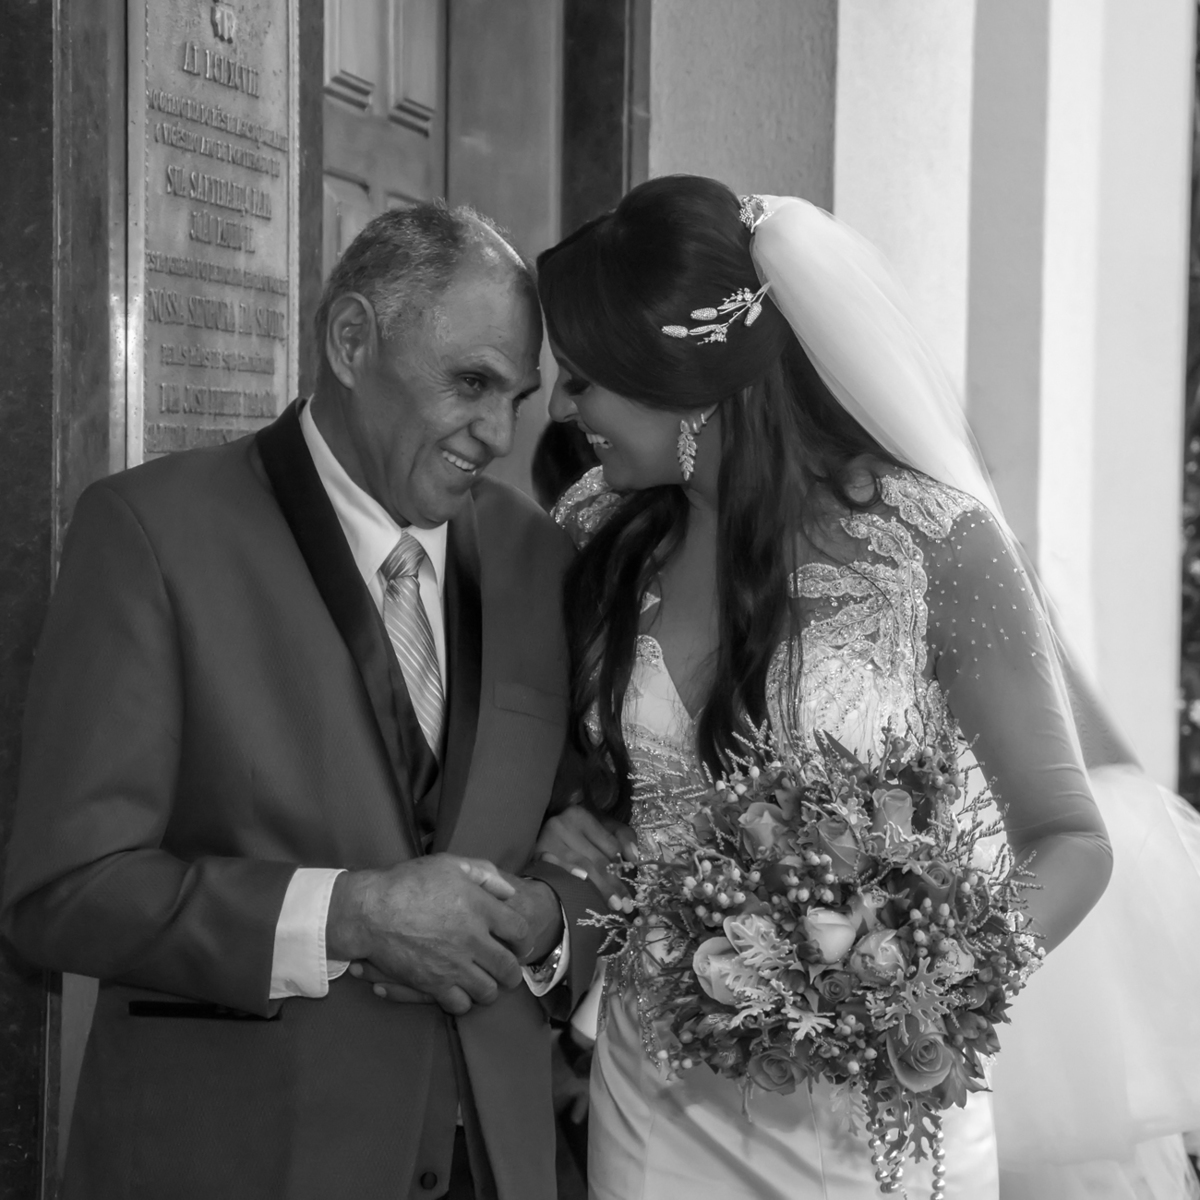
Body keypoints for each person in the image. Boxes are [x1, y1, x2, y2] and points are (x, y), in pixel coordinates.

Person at [1, 202, 606, 1200]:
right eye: (471, 384)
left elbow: (598, 837)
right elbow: (61, 894)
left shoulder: (540, 558)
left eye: (519, 396)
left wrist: (548, 919)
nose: (499, 434)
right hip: (237, 1161)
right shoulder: (150, 537)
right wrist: (349, 916)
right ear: (352, 338)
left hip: (493, 1163)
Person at [530, 176, 1118, 1199]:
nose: (562, 409)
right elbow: (542, 754)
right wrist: (563, 821)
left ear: (684, 384)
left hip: (871, 1117)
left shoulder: (933, 544)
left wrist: (923, 984)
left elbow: (1070, 840)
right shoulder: (588, 530)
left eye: (583, 381)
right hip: (658, 1089)